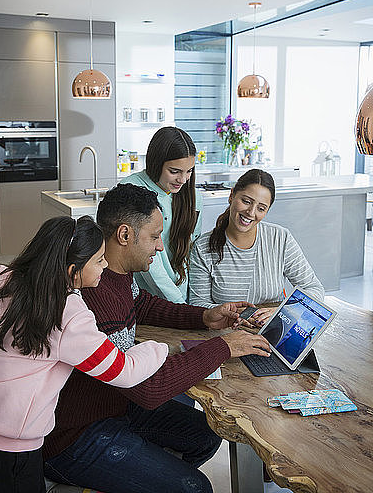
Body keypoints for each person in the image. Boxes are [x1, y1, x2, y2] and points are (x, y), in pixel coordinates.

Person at [43, 183, 271, 493]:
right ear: (125, 235)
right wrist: (223, 346)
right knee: (195, 488)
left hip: (115, 406)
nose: (160, 246)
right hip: (75, 436)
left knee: (206, 434)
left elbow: (141, 303)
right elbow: (148, 389)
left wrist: (203, 317)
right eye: (154, 237)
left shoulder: (115, 273)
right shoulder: (94, 293)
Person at [0, 215, 169, 493]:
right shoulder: (68, 316)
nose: (105, 265)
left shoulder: (18, 285)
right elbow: (123, 372)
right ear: (73, 269)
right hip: (14, 445)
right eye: (100, 260)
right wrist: (159, 348)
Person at [188, 169, 324, 325]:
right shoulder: (202, 248)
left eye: (261, 208)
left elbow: (314, 289)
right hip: (226, 334)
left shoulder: (280, 238)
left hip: (272, 331)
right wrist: (232, 315)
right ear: (232, 195)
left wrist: (282, 311)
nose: (251, 212)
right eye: (246, 201)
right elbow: (198, 304)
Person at [121, 126, 202, 303]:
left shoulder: (192, 196)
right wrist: (181, 307)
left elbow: (193, 250)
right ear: (156, 163)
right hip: (142, 299)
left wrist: (194, 303)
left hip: (182, 295)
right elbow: (152, 269)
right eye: (174, 171)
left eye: (189, 171)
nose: (183, 180)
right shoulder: (131, 190)